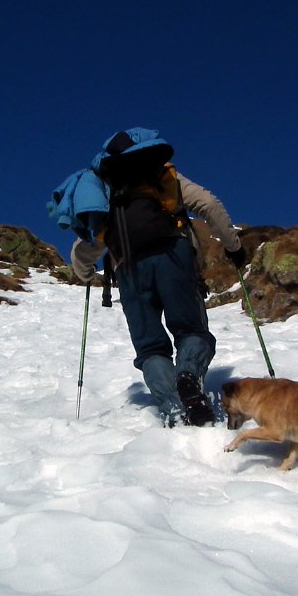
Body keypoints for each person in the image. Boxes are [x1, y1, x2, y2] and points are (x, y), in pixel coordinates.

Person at [71, 128, 247, 427]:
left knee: (151, 347)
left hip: (129, 270)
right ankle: (188, 375)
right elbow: (208, 204)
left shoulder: (107, 189)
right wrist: (234, 246)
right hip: (173, 255)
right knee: (192, 330)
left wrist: (86, 273)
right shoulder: (163, 175)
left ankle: (174, 406)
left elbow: (86, 245)